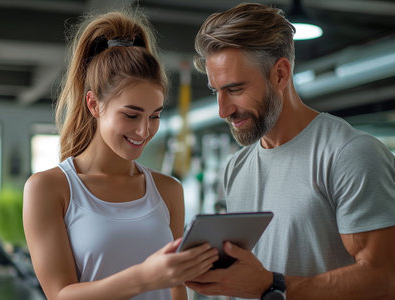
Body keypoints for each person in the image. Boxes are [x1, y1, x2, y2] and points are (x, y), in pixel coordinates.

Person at [185, 3, 395, 300]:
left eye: (235, 89)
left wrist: (274, 288)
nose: (223, 110)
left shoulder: (349, 153)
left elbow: (385, 279)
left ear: (280, 74)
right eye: (215, 91)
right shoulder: (237, 167)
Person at [22, 9, 219, 300]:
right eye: (131, 115)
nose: (144, 131)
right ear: (94, 104)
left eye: (154, 116)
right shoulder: (49, 188)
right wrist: (145, 277)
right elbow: (60, 295)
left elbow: (177, 289)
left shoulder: (168, 190)